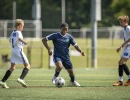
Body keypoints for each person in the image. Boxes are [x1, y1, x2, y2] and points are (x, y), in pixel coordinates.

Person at [0, 19, 30, 88]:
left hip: (13, 50)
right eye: (22, 26)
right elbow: (19, 38)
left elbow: (10, 40)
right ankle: (21, 79)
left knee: (12, 67)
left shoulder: (13, 32)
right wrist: (24, 42)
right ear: (19, 26)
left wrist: (16, 43)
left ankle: (3, 81)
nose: (23, 27)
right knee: (28, 66)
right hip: (19, 50)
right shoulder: (19, 32)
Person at [113, 15, 130, 86]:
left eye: (121, 22)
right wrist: (121, 47)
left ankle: (123, 80)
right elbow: (126, 40)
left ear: (126, 22)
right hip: (127, 47)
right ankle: (120, 81)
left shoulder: (128, 28)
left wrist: (124, 44)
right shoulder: (124, 29)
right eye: (120, 22)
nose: (120, 24)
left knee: (122, 62)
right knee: (120, 63)